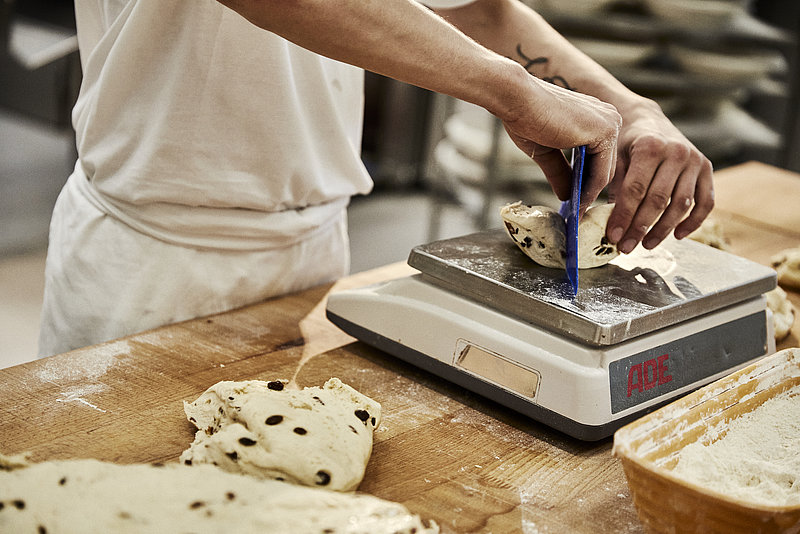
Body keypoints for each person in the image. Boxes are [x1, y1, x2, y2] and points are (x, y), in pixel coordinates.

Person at [38, 0, 713, 356]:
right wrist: (512, 91)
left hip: (313, 249)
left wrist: (629, 109)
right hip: (154, 254)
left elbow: (476, 10)